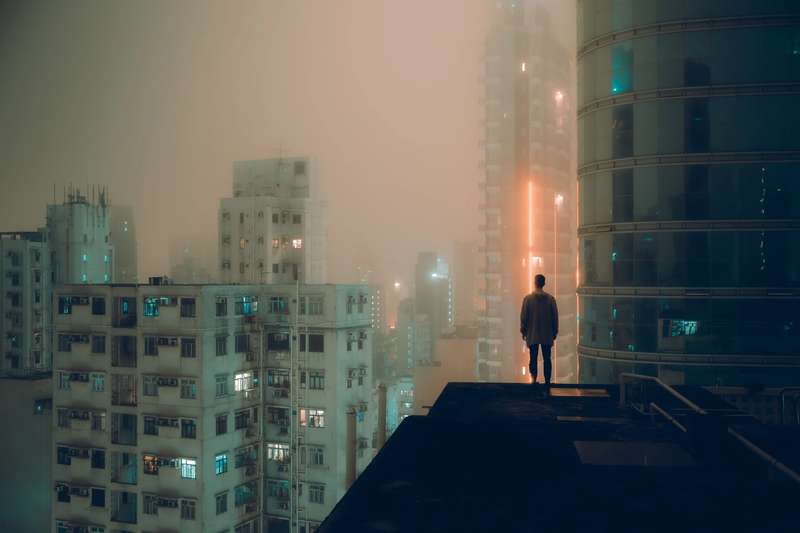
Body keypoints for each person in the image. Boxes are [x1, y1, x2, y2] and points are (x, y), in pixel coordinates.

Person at [520, 274, 558, 385]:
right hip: (547, 333)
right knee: (547, 358)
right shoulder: (550, 299)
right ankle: (547, 381)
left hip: (532, 333)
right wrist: (554, 331)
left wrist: (523, 330)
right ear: (544, 283)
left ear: (534, 283)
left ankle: (533, 379)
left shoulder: (528, 299)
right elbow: (554, 317)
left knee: (533, 358)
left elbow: (524, 316)